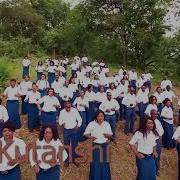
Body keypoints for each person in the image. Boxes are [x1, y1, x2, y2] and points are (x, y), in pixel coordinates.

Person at [84, 110, 113, 180]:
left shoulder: (106, 124)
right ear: (96, 117)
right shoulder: (91, 124)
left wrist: (108, 135)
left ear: (104, 117)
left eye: (102, 116)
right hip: (95, 146)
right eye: (99, 116)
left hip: (104, 146)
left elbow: (111, 135)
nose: (100, 118)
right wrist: (91, 137)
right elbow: (85, 134)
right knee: (95, 164)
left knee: (105, 164)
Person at [58, 101, 82, 167]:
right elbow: (60, 122)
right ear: (64, 106)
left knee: (74, 145)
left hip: (74, 130)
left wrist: (78, 126)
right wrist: (63, 122)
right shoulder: (62, 112)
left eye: (69, 107)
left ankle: (73, 159)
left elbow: (79, 119)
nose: (68, 108)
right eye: (66, 107)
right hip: (66, 130)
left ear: (71, 106)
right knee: (66, 145)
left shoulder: (74, 110)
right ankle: (67, 159)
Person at [150, 109, 164, 176]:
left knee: (157, 156)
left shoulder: (158, 121)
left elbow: (161, 131)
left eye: (156, 114)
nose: (155, 115)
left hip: (157, 141)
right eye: (154, 114)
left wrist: (160, 141)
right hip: (150, 141)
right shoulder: (148, 121)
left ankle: (157, 170)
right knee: (151, 156)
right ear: (151, 114)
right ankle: (151, 170)